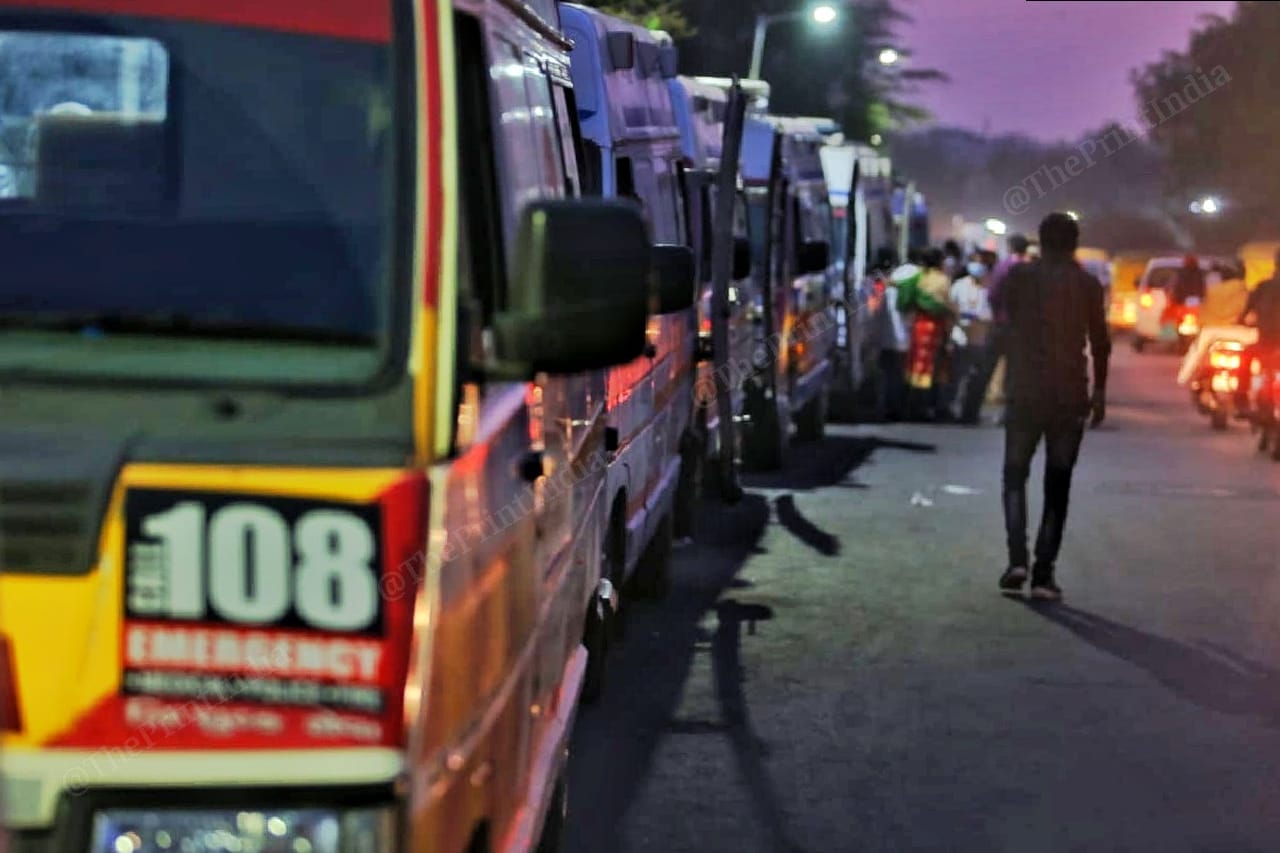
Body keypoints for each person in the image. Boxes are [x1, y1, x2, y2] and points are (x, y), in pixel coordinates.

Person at [990, 213, 1110, 602]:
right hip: (1069, 395)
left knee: (1014, 476)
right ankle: (1044, 574)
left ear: (1040, 242)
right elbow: (1100, 342)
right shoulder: (1088, 285)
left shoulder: (1019, 277)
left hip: (1025, 391)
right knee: (1058, 485)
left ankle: (1016, 560)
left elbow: (1002, 321)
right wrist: (1099, 392)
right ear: (1074, 244)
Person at [899, 247, 954, 420]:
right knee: (931, 367)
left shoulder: (917, 277)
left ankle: (911, 405)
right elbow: (947, 305)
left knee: (916, 364)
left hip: (919, 325)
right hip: (935, 327)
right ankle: (925, 406)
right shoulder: (942, 280)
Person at [944, 253, 998, 424]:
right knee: (956, 376)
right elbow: (950, 308)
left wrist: (981, 318)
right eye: (975, 262)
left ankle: (969, 412)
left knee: (975, 378)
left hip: (979, 339)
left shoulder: (988, 288)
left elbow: (991, 314)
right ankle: (949, 409)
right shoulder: (959, 286)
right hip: (960, 338)